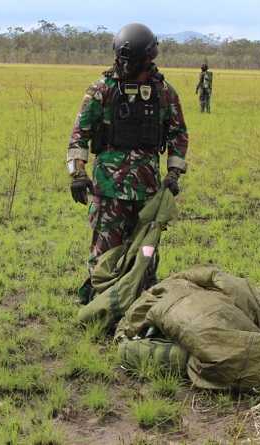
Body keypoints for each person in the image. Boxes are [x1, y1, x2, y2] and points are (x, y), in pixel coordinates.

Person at [67, 23, 188, 306]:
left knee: (145, 251)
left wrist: (173, 174)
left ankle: (142, 305)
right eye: (120, 59)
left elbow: (178, 134)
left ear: (148, 59)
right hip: (107, 190)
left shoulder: (163, 92)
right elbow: (79, 134)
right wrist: (77, 174)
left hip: (147, 190)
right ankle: (98, 304)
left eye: (130, 61)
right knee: (104, 250)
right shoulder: (101, 89)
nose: (123, 65)